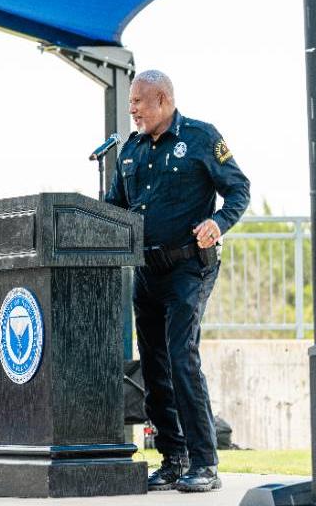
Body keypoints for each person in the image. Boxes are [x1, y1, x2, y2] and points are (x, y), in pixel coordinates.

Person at [106, 70, 250, 493]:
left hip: (190, 267)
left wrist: (218, 222)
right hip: (146, 272)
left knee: (180, 356)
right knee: (152, 365)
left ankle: (205, 462)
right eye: (130, 102)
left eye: (137, 102)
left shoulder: (203, 138)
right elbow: (113, 208)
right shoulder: (129, 151)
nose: (131, 109)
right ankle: (173, 459)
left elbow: (238, 189)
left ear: (163, 99)